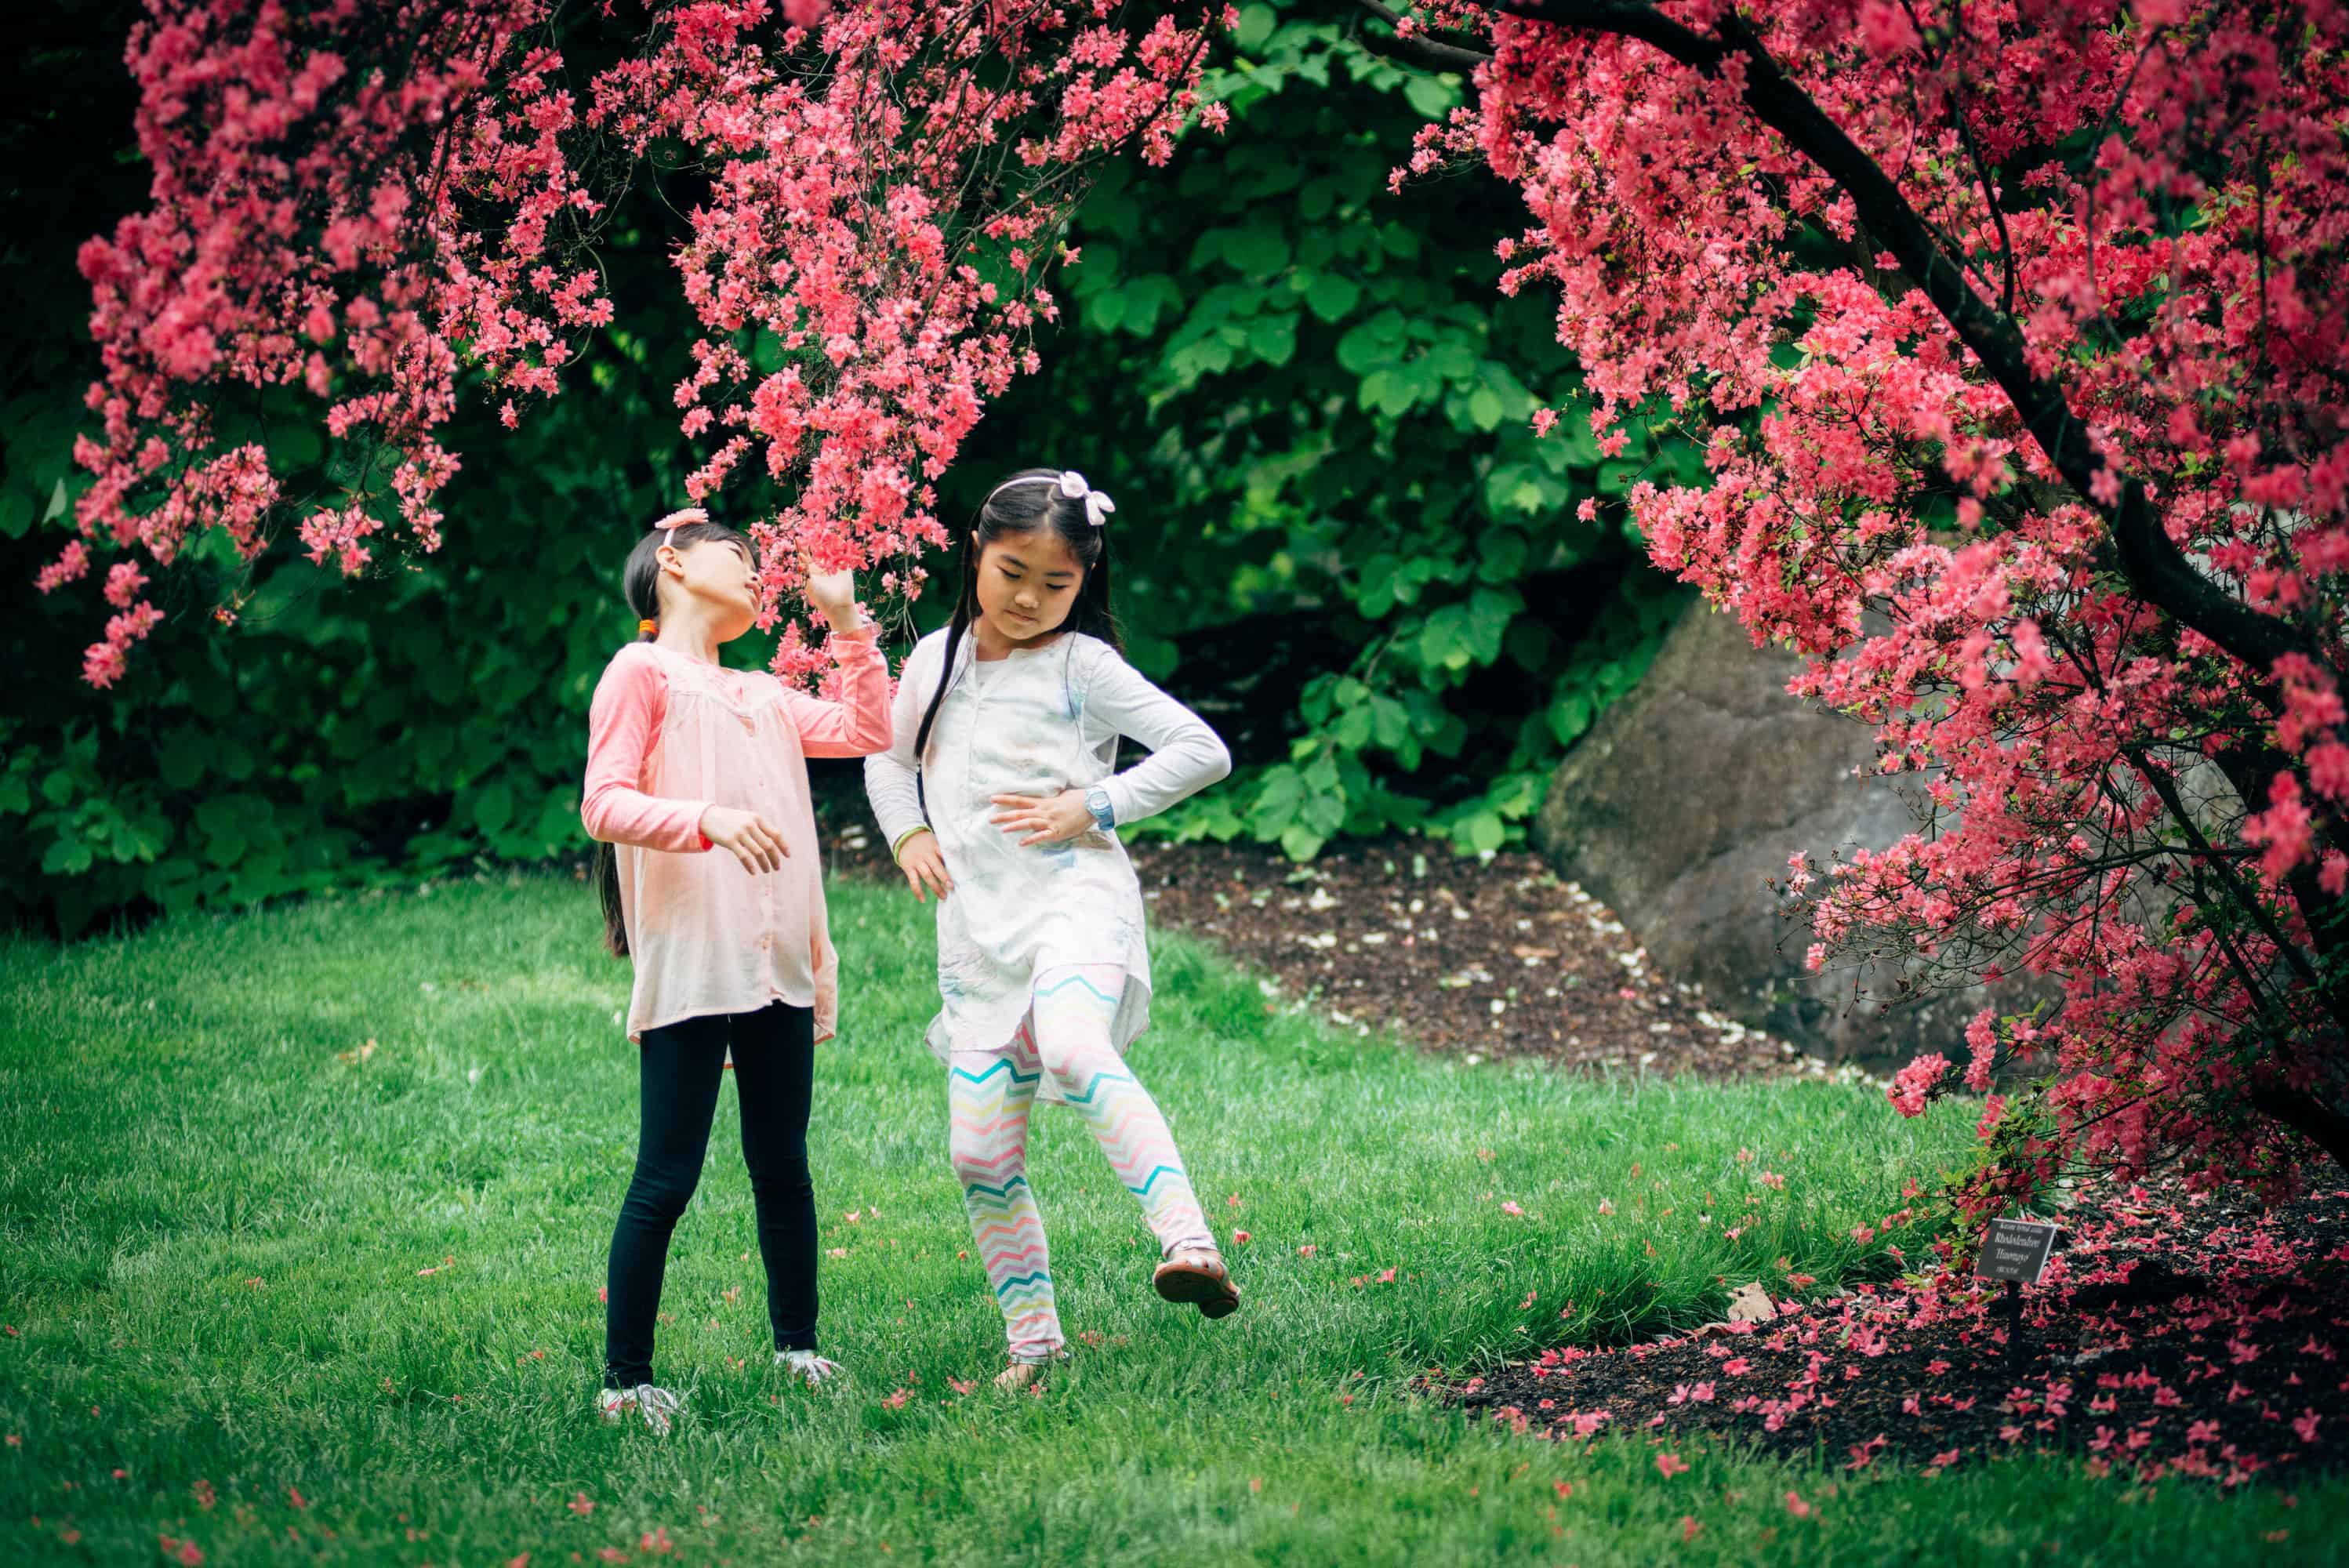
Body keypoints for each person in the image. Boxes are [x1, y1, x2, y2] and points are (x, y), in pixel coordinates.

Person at [864, 467, 1239, 1393]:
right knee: (978, 1153)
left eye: (1055, 583)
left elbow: (1202, 750)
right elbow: (885, 753)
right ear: (975, 555)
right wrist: (907, 829)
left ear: (1084, 582)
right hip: (978, 931)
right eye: (1012, 572)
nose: (1030, 598)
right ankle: (1033, 1348)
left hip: (1078, 900)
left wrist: (1096, 804)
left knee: (1074, 1043)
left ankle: (1189, 1240)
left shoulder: (1083, 666)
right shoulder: (932, 659)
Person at [581, 507, 890, 1432]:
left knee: (781, 1164)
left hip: (779, 962)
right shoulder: (640, 670)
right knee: (665, 1175)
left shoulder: (762, 691)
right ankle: (624, 1380)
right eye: (740, 556)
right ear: (672, 563)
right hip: (694, 957)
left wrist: (845, 625)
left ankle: (797, 1346)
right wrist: (705, 817)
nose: (759, 574)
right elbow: (604, 801)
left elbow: (868, 727)